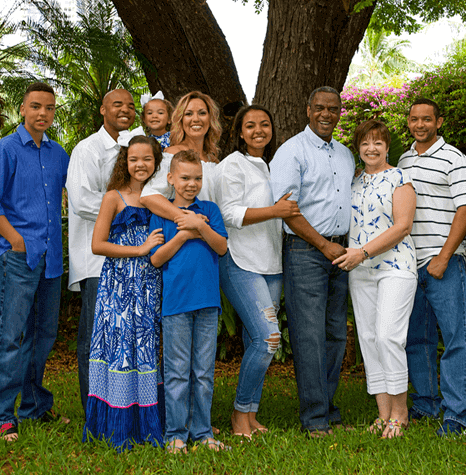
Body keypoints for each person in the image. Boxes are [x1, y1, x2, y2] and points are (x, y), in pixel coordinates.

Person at [0, 82, 70, 441]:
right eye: (35, 106)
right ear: (22, 109)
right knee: (9, 336)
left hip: (49, 261)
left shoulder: (60, 154)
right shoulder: (6, 149)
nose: (42, 113)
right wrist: (14, 240)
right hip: (15, 257)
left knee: (42, 336)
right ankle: (0, 415)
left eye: (48, 107)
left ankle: (33, 406)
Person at [269, 86, 355, 437]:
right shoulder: (292, 151)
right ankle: (314, 419)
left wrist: (342, 248)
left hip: (342, 252)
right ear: (308, 110)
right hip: (307, 252)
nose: (326, 114)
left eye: (332, 109)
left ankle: (329, 410)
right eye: (319, 108)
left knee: (335, 333)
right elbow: (287, 209)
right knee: (309, 337)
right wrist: (322, 245)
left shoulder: (346, 154)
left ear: (339, 112)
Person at [217, 105, 302, 437]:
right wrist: (275, 210)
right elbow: (229, 213)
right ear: (239, 132)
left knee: (259, 339)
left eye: (264, 124)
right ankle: (239, 416)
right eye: (250, 126)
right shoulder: (231, 166)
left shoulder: (273, 166)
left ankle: (251, 415)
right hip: (240, 261)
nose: (258, 131)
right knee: (269, 338)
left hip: (271, 264)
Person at [397, 98, 466, 437]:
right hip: (408, 263)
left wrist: (444, 257)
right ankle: (426, 403)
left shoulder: (454, 158)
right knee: (417, 338)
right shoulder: (403, 158)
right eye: (414, 119)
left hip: (441, 261)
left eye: (426, 119)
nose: (420, 125)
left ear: (438, 122)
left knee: (456, 338)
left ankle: (456, 414)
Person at [334, 120, 417, 439]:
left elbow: (403, 226)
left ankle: (400, 413)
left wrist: (363, 252)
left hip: (395, 266)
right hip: (361, 271)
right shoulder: (353, 181)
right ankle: (383, 414)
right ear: (358, 147)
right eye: (365, 143)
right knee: (369, 340)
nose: (372, 148)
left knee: (387, 336)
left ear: (387, 146)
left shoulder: (400, 178)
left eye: (378, 142)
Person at [83, 134, 166, 451]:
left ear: (156, 162)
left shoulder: (161, 196)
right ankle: (117, 426)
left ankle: (148, 424)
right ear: (125, 162)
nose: (140, 164)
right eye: (134, 159)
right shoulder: (113, 197)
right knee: (120, 351)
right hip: (118, 288)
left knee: (145, 349)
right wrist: (140, 248)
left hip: (149, 286)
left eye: (147, 159)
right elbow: (98, 245)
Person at [149, 150, 229, 453]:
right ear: (170, 179)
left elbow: (221, 247)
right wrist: (183, 236)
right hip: (176, 304)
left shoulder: (209, 209)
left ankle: (203, 432)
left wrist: (199, 226)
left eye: (197, 178)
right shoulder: (162, 214)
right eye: (184, 178)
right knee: (177, 372)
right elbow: (156, 258)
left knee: (204, 373)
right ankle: (175, 434)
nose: (191, 183)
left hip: (208, 302)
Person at [67, 88, 137, 417]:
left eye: (131, 105)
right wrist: (129, 211)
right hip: (97, 262)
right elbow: (81, 202)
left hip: (131, 260)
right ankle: (95, 412)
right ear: (102, 110)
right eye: (117, 104)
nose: (125, 110)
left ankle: (120, 408)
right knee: (96, 340)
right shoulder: (88, 149)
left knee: (125, 338)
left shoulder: (134, 151)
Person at [140, 91, 223, 231]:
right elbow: (148, 196)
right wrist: (188, 219)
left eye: (202, 113)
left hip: (214, 241)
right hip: (184, 238)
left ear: (210, 118)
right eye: (189, 114)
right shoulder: (171, 155)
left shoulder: (214, 161)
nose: (195, 119)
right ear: (180, 119)